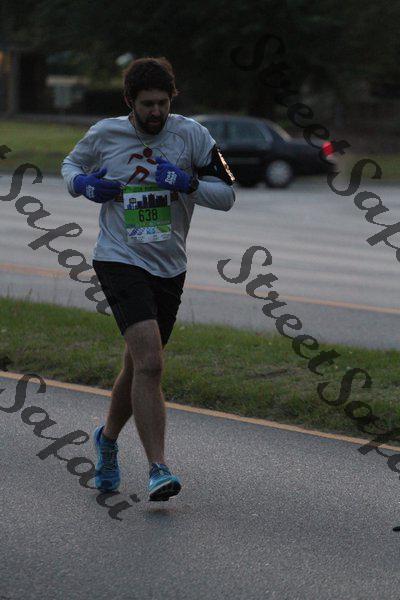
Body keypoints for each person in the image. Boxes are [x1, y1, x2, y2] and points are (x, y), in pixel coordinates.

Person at [61, 56, 236, 502]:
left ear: (172, 99)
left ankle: (106, 440)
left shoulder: (194, 135)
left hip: (169, 265)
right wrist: (84, 185)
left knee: (138, 365)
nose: (155, 112)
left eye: (162, 103)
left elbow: (228, 194)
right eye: (146, 104)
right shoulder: (105, 133)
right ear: (129, 102)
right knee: (152, 364)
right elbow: (68, 167)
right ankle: (158, 468)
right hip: (119, 257)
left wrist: (188, 183)